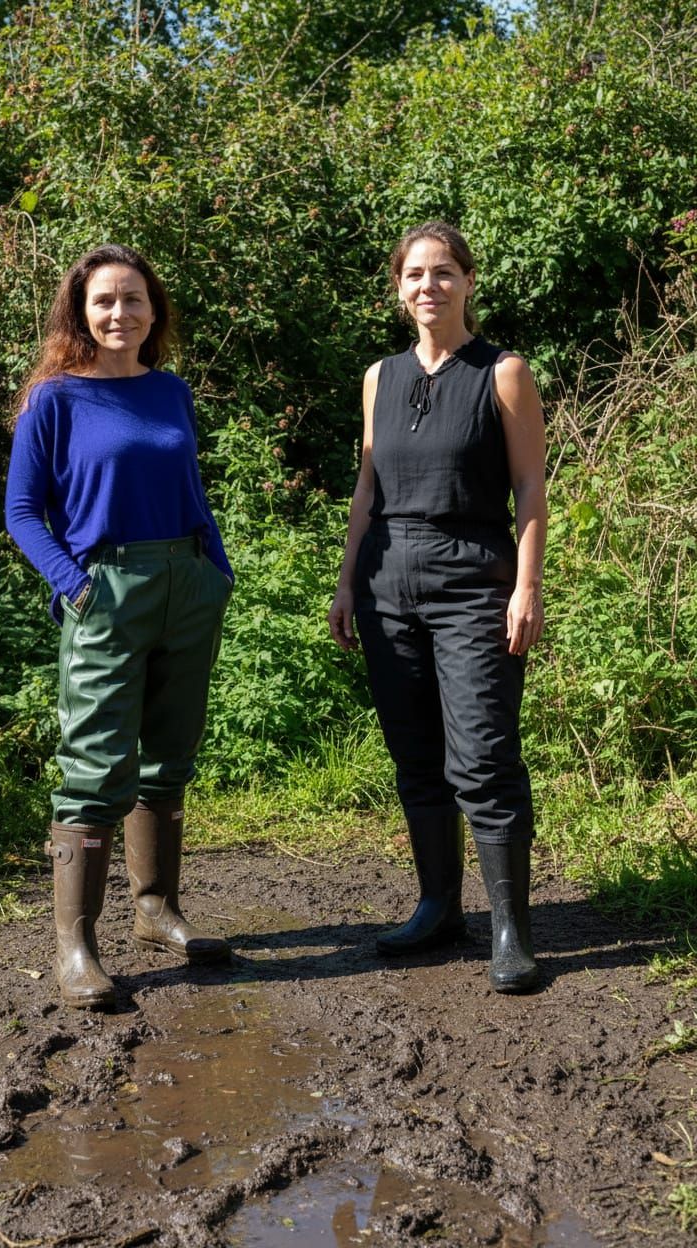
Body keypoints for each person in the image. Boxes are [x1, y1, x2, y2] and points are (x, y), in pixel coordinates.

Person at [5, 243, 234, 1010]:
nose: (119, 313)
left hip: (186, 583)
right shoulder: (55, 397)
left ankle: (156, 909)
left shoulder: (171, 392)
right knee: (97, 765)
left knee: (169, 754)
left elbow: (192, 489)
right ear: (80, 311)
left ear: (153, 312)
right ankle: (77, 946)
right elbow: (21, 512)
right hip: (104, 588)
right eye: (104, 300)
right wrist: (74, 587)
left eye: (133, 299)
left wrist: (217, 570)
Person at [328, 221, 546, 993]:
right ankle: (437, 907)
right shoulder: (378, 377)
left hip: (474, 583)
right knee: (417, 757)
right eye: (415, 274)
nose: (430, 285)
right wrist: (348, 580)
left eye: (444, 272)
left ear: (468, 282)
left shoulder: (503, 372)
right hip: (389, 588)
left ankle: (512, 930)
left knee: (482, 758)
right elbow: (367, 488)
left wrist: (527, 586)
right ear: (398, 289)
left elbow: (528, 487)